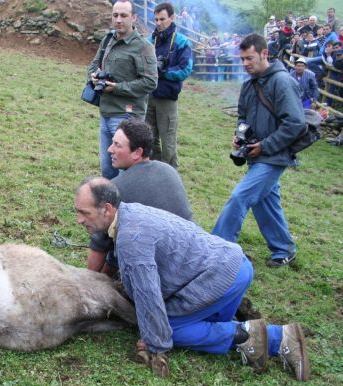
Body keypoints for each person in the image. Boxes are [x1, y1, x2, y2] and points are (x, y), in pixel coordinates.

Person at [74, 178, 310, 381]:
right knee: (186, 323)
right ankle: (242, 323)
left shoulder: (131, 239)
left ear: (106, 209)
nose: (79, 220)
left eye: (84, 212)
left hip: (221, 279)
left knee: (171, 329)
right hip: (234, 265)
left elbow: (148, 294)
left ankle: (270, 337)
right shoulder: (131, 214)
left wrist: (155, 343)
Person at [211, 34, 306, 268]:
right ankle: (284, 248)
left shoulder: (281, 82)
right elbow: (243, 116)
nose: (245, 64)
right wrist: (240, 135)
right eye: (242, 59)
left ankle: (216, 250)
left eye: (249, 58)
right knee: (266, 203)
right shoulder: (249, 84)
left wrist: (265, 145)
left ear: (265, 54)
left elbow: (296, 123)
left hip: (273, 156)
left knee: (240, 197)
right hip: (257, 154)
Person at [86, 117, 192, 275]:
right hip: (194, 256)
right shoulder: (168, 170)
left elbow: (100, 243)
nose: (110, 149)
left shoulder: (116, 188)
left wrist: (87, 281)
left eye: (117, 145)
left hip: (165, 272)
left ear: (137, 153)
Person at [86, 0, 157, 179]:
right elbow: (93, 64)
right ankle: (109, 206)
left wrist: (117, 88)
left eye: (124, 15)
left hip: (128, 117)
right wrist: (94, 76)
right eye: (115, 15)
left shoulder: (143, 46)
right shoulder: (108, 39)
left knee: (126, 173)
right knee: (107, 169)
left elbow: (150, 82)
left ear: (134, 18)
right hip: (106, 112)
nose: (118, 20)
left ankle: (127, 206)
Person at [145, 3, 193, 168]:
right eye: (156, 19)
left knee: (168, 140)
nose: (158, 23)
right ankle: (153, 173)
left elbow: (185, 69)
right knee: (148, 138)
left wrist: (163, 72)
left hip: (167, 97)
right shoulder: (150, 40)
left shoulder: (181, 42)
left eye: (162, 19)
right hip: (149, 95)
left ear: (172, 18)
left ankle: (171, 176)